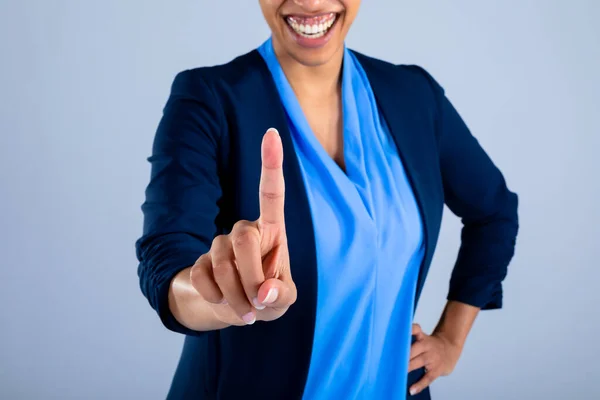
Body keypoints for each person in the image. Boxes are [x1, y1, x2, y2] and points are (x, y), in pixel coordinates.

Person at [135, 0, 519, 399]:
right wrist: (225, 303)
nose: (311, 1)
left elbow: (495, 211)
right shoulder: (208, 98)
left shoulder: (414, 95)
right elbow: (167, 257)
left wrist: (451, 339)